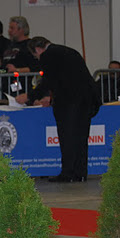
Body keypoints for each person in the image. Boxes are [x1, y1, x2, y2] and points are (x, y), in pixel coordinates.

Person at [15, 37, 101, 182]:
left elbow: (49, 80)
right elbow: (65, 78)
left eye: (35, 56)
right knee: (81, 137)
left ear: (37, 50)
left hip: (69, 102)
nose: (37, 58)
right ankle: (80, 172)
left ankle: (68, 173)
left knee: (67, 137)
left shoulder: (48, 55)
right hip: (87, 100)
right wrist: (50, 97)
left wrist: (29, 96)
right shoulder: (68, 51)